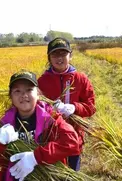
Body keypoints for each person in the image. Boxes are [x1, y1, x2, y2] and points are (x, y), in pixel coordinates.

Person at [37, 37, 96, 171]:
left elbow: (91, 107)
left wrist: (75, 107)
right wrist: (49, 110)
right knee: (56, 178)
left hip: (75, 137)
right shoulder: (42, 82)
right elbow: (35, 109)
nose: (59, 58)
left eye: (63, 53)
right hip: (52, 140)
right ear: (49, 58)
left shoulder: (80, 79)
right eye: (55, 54)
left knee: (73, 177)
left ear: (70, 55)